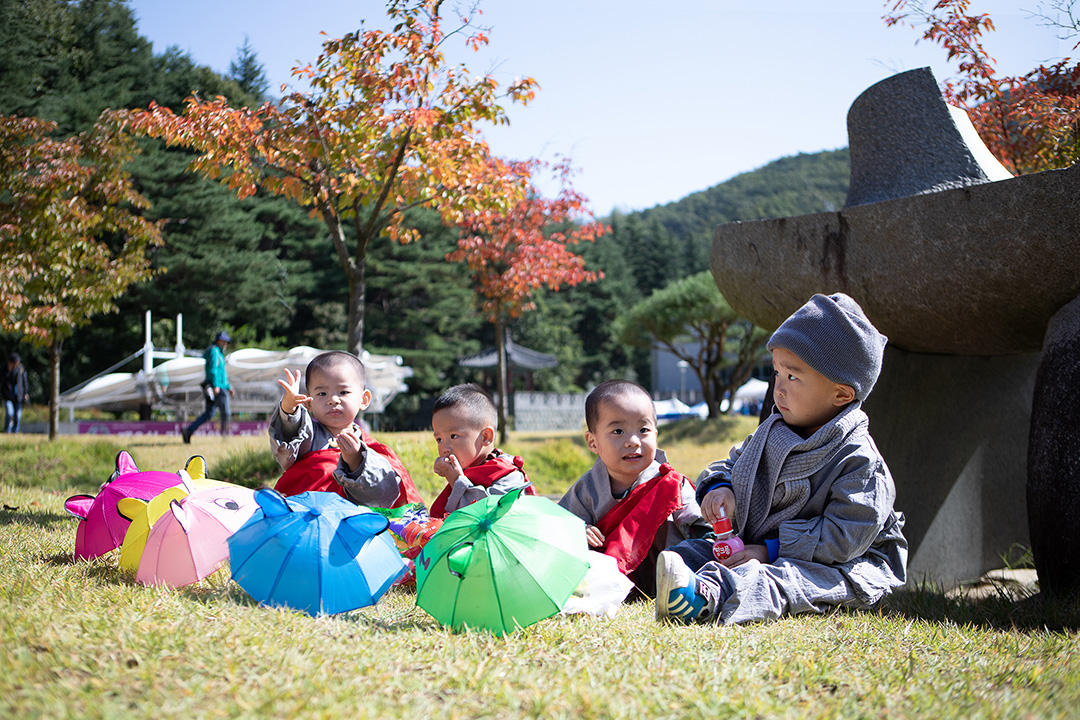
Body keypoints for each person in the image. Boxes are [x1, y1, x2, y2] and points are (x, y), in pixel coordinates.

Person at [655, 293, 908, 625]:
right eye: (776, 373)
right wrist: (721, 487)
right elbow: (733, 463)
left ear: (841, 394)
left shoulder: (859, 460)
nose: (778, 388)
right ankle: (659, 582)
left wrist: (771, 551)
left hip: (835, 565)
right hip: (754, 545)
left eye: (793, 376)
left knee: (777, 581)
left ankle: (704, 600)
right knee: (693, 551)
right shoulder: (773, 430)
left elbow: (843, 538)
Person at [558, 379, 711, 597]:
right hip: (609, 583)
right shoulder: (586, 490)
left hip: (668, 579)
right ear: (593, 442)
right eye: (618, 431)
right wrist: (579, 531)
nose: (633, 441)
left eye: (643, 429)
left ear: (656, 435)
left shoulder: (670, 484)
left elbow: (702, 530)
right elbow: (560, 527)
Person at [269, 350, 424, 509]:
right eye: (322, 393)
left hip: (350, 524)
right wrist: (289, 407)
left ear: (364, 399)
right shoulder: (307, 436)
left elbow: (384, 495)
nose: (332, 400)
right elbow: (289, 437)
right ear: (308, 403)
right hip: (304, 517)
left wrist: (356, 460)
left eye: (343, 392)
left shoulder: (372, 449)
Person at [429, 383, 534, 518]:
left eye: (453, 436)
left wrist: (457, 482)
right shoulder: (470, 469)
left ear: (486, 437)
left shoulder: (508, 475)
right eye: (439, 440)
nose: (445, 448)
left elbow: (487, 517)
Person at [182, 331, 234, 443]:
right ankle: (226, 437)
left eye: (226, 341)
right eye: (224, 341)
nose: (226, 343)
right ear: (218, 341)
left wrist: (228, 386)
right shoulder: (215, 351)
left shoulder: (219, 353)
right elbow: (213, 370)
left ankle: (189, 430)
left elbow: (222, 373)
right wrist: (216, 386)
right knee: (226, 412)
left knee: (209, 413)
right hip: (217, 387)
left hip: (218, 386)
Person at [3, 352, 29, 433]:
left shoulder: (20, 369)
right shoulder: (4, 369)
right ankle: (7, 430)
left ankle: (15, 431)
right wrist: (8, 370)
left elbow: (24, 382)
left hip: (18, 396)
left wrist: (26, 393)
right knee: (10, 413)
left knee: (17, 415)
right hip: (7, 396)